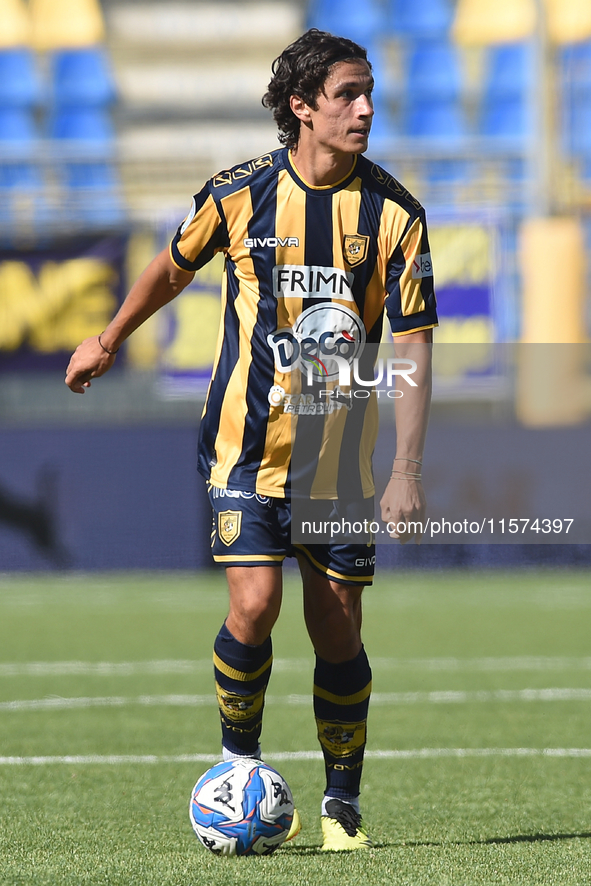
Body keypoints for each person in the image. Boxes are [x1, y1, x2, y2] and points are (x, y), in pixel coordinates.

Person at [65, 29, 437, 851]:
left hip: (338, 458)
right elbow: (171, 266)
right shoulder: (238, 194)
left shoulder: (396, 216)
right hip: (244, 445)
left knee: (336, 627)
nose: (365, 109)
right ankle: (240, 767)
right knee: (255, 603)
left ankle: (342, 805)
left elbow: (412, 341)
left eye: (369, 93)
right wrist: (109, 337)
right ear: (301, 107)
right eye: (346, 95)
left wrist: (406, 467)